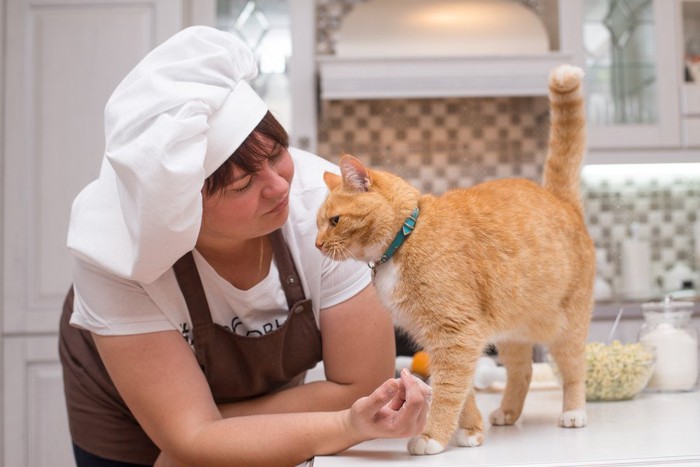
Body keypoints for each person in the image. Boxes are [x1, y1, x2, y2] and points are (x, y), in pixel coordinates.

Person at [58, 26, 431, 466]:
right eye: (242, 185)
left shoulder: (330, 212)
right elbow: (188, 437)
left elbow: (362, 384)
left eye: (277, 155)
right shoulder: (114, 259)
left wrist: (210, 432)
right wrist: (196, 436)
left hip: (212, 418)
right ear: (183, 207)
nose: (278, 187)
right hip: (131, 417)